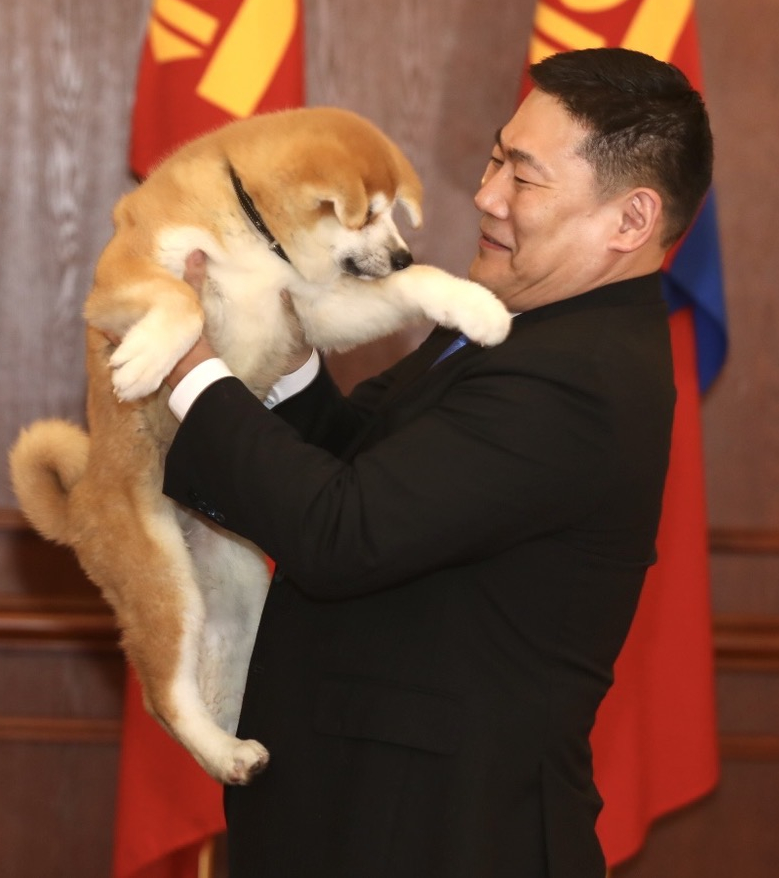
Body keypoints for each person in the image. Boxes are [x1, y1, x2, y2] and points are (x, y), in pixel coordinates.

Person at [160, 47, 714, 877]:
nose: (486, 195)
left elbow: (341, 533)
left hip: (438, 836)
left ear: (630, 221)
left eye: (523, 177)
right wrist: (279, 344)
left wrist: (190, 370)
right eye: (495, 158)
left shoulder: (579, 376)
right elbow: (356, 462)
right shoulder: (513, 325)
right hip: (366, 819)